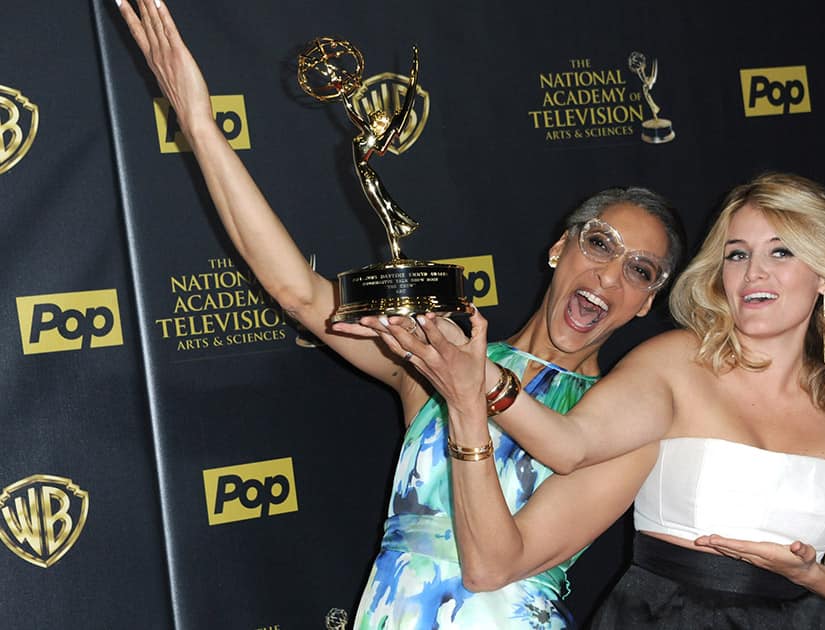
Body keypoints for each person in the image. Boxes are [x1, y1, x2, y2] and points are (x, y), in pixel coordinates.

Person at [115, 3, 686, 628]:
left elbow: (494, 567)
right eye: (600, 244)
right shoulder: (440, 355)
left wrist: (470, 399)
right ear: (560, 247)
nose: (609, 275)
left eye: (639, 270)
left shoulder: (622, 430)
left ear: (647, 302)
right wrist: (198, 123)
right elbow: (300, 294)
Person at [373, 172, 825, 628]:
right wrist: (481, 377)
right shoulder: (678, 361)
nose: (754, 274)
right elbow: (569, 445)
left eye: (781, 252)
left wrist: (812, 575)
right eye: (737, 254)